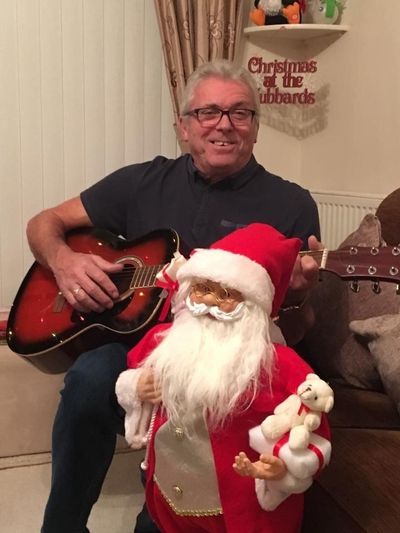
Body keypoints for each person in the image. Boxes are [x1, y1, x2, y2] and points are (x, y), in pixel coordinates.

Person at [26, 59, 322, 533]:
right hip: (139, 345)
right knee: (86, 380)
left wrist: (298, 298)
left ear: (256, 127)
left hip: (231, 361)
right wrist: (64, 262)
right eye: (208, 112)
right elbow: (43, 223)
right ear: (183, 127)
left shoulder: (292, 205)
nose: (224, 125)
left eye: (240, 113)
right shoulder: (140, 182)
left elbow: (300, 331)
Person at [115, 223, 331, 533]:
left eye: (226, 295)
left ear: (253, 306)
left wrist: (285, 465)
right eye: (202, 288)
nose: (209, 302)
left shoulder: (278, 364)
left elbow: (310, 418)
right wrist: (137, 385)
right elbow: (137, 364)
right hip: (170, 495)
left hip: (238, 506)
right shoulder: (166, 340)